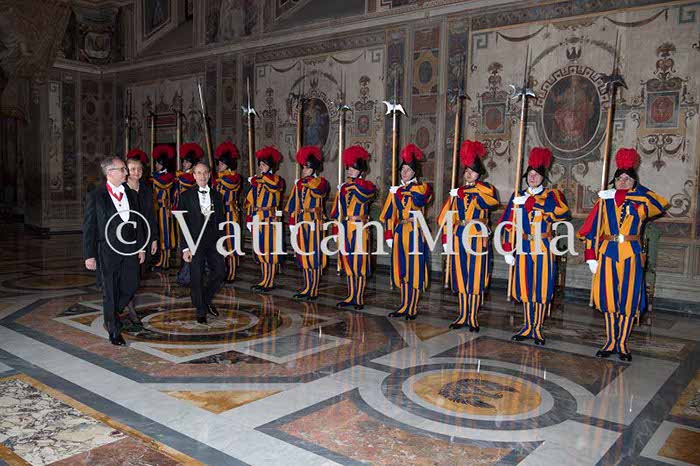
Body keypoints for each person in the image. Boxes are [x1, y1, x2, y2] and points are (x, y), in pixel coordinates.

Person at [578, 148, 668, 362]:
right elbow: (591, 230)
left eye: (628, 179)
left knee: (628, 299)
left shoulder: (642, 201)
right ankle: (610, 341)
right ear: (614, 181)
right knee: (609, 299)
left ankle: (622, 343)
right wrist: (590, 256)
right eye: (619, 179)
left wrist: (628, 194)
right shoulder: (604, 201)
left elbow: (660, 203)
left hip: (631, 253)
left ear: (635, 182)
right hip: (607, 253)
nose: (623, 182)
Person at [499, 147, 570, 346]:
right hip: (523, 245)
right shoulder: (518, 195)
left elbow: (563, 213)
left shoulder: (552, 195)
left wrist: (534, 204)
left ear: (543, 177)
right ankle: (527, 325)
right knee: (526, 286)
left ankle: (537, 327)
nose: (532, 177)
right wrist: (507, 249)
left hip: (543, 245)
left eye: (536, 175)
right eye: (530, 174)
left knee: (541, 287)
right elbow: (507, 224)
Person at [83, 156, 146, 346]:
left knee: (132, 283)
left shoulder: (131, 193)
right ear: (110, 172)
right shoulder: (96, 195)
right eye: (122, 169)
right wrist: (89, 255)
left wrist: (141, 247)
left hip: (130, 247)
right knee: (109, 290)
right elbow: (89, 226)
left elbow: (138, 221)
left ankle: (112, 312)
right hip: (107, 250)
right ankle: (113, 329)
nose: (126, 172)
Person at [437, 140, 499, 331]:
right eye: (466, 170)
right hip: (459, 236)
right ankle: (463, 314)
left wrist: (467, 191)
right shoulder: (457, 193)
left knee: (476, 276)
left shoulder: (487, 189)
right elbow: (444, 218)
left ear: (479, 174)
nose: (468, 173)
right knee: (461, 276)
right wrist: (446, 239)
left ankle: (473, 316)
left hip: (477, 237)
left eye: (472, 171)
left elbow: (490, 201)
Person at [380, 144, 433, 320]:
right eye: (402, 169)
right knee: (401, 268)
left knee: (414, 269)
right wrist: (389, 234)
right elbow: (388, 214)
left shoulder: (422, 187)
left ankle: (412, 307)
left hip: (415, 231)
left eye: (408, 170)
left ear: (415, 172)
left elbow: (420, 199)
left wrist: (401, 192)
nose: (404, 172)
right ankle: (403, 304)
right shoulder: (396, 191)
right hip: (400, 230)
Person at [179, 161, 226, 324]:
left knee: (220, 272)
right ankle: (200, 310)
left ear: (209, 175)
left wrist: (222, 242)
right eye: (199, 173)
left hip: (213, 241)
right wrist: (185, 248)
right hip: (194, 242)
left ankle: (205, 299)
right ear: (194, 176)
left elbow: (221, 221)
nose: (202, 176)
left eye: (205, 172)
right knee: (197, 275)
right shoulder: (185, 196)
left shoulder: (218, 196)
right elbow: (182, 223)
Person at [331, 145, 377, 310]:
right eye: (349, 167)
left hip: (359, 228)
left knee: (359, 263)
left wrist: (352, 185)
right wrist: (336, 229)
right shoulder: (344, 188)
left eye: (353, 168)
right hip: (346, 227)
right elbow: (337, 211)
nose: (350, 170)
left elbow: (365, 195)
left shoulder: (367, 185)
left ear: (361, 170)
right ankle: (351, 295)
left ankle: (359, 297)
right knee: (348, 263)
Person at [285, 146, 330, 301]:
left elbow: (318, 191)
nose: (303, 170)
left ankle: (314, 288)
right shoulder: (300, 184)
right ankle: (306, 286)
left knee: (314, 256)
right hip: (302, 221)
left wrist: (305, 182)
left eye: (306, 167)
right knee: (303, 255)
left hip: (314, 222)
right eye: (303, 167)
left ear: (314, 168)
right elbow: (293, 203)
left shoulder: (321, 182)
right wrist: (292, 222)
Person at [123, 150, 159, 328]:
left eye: (139, 169)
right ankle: (130, 308)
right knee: (130, 275)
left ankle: (125, 300)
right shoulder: (122, 190)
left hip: (145, 236)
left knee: (139, 275)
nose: (136, 172)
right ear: (126, 171)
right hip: (127, 238)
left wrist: (154, 238)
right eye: (132, 169)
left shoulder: (146, 189)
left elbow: (151, 215)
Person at [244, 146, 286, 292]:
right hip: (258, 219)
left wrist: (257, 180)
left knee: (270, 251)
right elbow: (251, 201)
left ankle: (270, 280)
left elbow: (273, 185)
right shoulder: (258, 182)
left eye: (264, 164)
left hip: (270, 219)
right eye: (260, 164)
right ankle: (264, 279)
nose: (261, 166)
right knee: (260, 250)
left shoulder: (277, 180)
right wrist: (249, 217)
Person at [174, 142, 204, 286]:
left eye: (186, 162)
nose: (184, 164)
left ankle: (188, 275)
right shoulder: (184, 175)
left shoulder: (190, 177)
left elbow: (185, 181)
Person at [214, 141, 243, 283]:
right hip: (219, 213)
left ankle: (232, 272)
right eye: (219, 163)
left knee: (231, 243)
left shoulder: (233, 177)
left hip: (230, 213)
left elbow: (230, 183)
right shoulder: (219, 177)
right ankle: (223, 270)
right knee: (220, 243)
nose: (219, 166)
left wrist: (218, 177)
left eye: (221, 163)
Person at [151, 144, 176, 271]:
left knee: (164, 234)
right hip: (157, 208)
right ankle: (162, 259)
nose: (156, 165)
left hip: (164, 209)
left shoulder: (168, 177)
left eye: (158, 163)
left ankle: (165, 261)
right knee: (159, 233)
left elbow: (164, 184)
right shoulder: (156, 176)